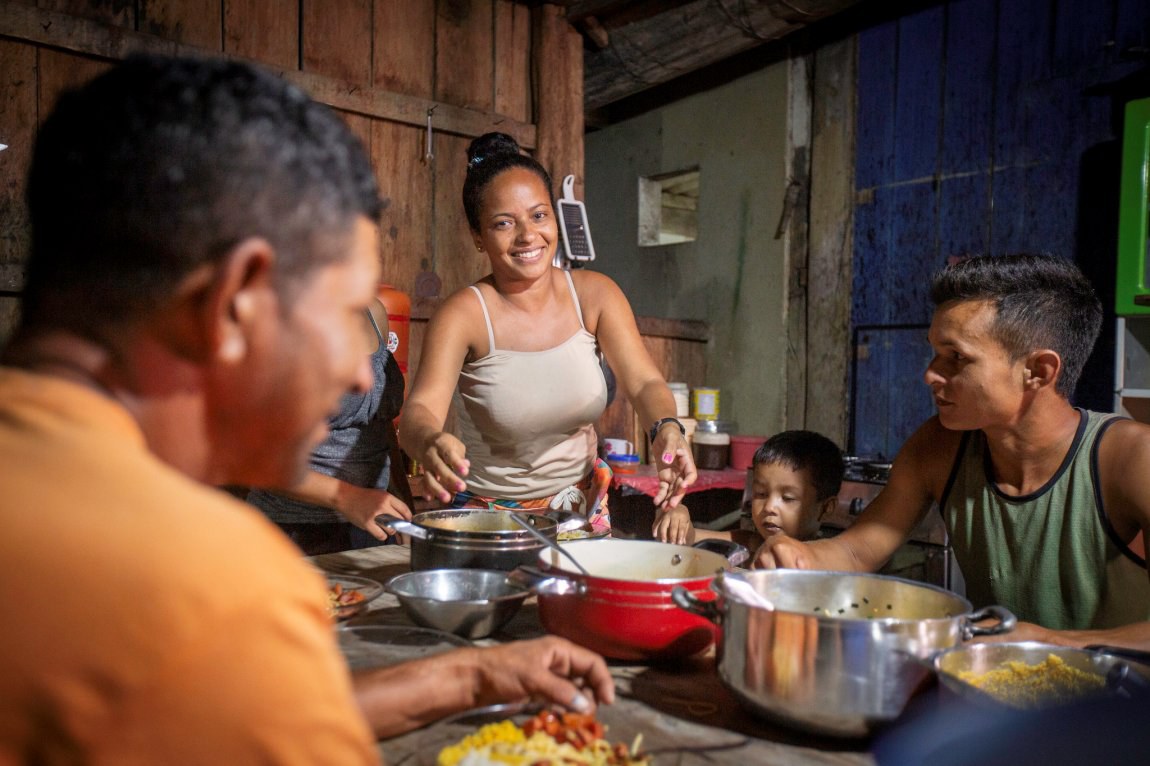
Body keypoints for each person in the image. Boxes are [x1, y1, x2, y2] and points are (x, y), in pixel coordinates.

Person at [0, 54, 613, 763]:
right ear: (238, 300)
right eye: (341, 314)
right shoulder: (216, 581)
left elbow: (239, 709)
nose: (361, 369)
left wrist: (469, 674)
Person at [755, 254, 1150, 649]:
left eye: (956, 357)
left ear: (1039, 371)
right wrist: (798, 556)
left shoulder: (1131, 458)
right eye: (935, 353)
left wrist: (1048, 642)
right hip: (991, 692)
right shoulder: (938, 446)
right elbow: (858, 553)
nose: (930, 373)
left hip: (1117, 703)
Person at [399, 132, 697, 543]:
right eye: (504, 223)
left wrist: (667, 428)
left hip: (582, 516)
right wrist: (430, 441)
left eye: (539, 216)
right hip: (490, 526)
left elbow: (644, 382)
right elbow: (418, 413)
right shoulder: (464, 315)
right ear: (477, 236)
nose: (527, 236)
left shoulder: (595, 295)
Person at [245, 301, 414, 555]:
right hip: (294, 532)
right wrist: (348, 497)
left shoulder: (371, 310)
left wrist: (403, 500)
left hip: (372, 524)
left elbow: (380, 425)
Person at [691, 430, 841, 549]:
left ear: (826, 508)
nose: (769, 507)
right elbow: (689, 537)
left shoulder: (825, 561)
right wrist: (680, 520)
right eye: (761, 494)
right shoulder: (750, 543)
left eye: (788, 498)